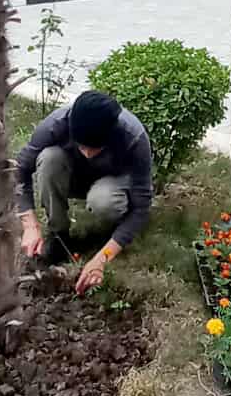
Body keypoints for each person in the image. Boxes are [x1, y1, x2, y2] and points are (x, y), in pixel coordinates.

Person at [15, 90, 154, 294]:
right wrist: (30, 224)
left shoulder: (133, 137)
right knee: (49, 158)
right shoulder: (56, 124)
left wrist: (103, 258)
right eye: (82, 146)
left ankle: (112, 231)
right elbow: (19, 170)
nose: (88, 154)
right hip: (74, 177)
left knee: (102, 200)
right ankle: (59, 235)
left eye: (95, 148)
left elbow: (141, 207)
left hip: (112, 184)